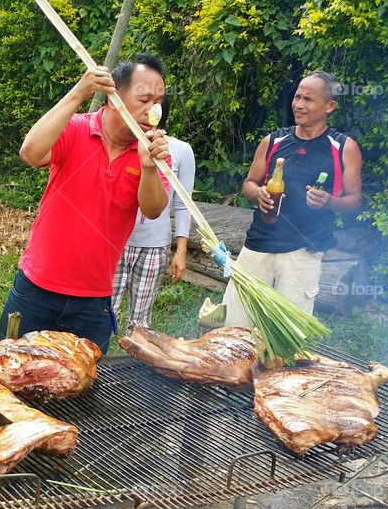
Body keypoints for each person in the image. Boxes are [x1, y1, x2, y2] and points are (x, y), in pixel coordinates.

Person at [0, 53, 171, 353]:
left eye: (157, 101)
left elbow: (153, 209)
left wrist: (148, 167)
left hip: (94, 302)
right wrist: (79, 92)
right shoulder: (76, 129)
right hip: (37, 289)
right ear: (112, 96)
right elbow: (31, 153)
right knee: (12, 376)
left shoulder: (155, 154)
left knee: (82, 390)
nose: (152, 109)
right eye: (143, 99)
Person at [223, 70, 362, 326]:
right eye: (297, 97)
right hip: (258, 246)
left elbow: (354, 200)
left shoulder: (343, 147)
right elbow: (249, 183)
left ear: (330, 106)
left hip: (303, 253)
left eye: (308, 99)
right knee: (236, 326)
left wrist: (329, 201)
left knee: (288, 334)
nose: (298, 105)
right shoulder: (273, 141)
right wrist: (258, 193)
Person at [111, 94, 195, 330]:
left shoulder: (180, 150)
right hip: (116, 243)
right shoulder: (122, 145)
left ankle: (138, 362)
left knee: (140, 322)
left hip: (153, 247)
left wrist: (180, 251)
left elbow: (182, 204)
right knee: (104, 311)